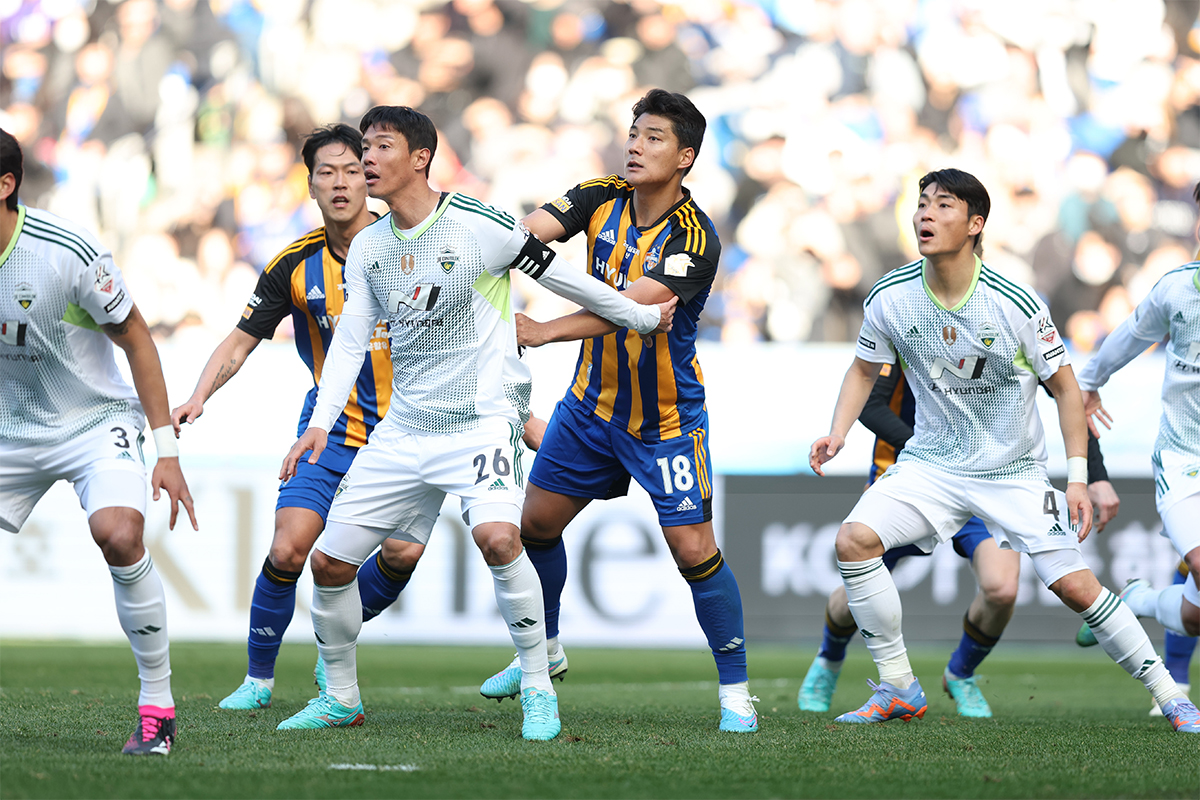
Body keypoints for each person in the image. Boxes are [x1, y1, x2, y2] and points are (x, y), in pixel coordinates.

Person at [274, 105, 674, 741]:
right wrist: (320, 423)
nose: (367, 159)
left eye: (381, 147)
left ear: (420, 159)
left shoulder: (478, 224)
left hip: (482, 419)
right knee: (328, 565)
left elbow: (565, 278)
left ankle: (538, 688)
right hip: (406, 427)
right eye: (365, 147)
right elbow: (350, 342)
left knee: (499, 539)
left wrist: (639, 316)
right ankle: (340, 697)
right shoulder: (371, 247)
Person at [809, 167, 1199, 732]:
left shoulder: (1014, 303)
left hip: (1013, 473)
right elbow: (863, 370)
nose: (925, 214)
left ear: (975, 224)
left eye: (943, 205)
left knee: (1075, 587)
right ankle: (898, 686)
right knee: (853, 541)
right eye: (922, 203)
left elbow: (1067, 389)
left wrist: (1077, 478)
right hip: (931, 465)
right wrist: (839, 431)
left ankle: (1170, 696)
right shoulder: (891, 296)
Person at [478, 89, 759, 733]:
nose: (635, 145)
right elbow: (524, 236)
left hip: (665, 422)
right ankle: (545, 650)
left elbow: (631, 309)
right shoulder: (598, 195)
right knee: (534, 526)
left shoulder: (696, 238)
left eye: (654, 137)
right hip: (588, 409)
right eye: (634, 133)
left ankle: (737, 694)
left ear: (685, 157)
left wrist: (543, 330)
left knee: (694, 551)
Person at [172, 124, 430, 711]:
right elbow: (241, 340)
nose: (340, 183)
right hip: (329, 429)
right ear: (309, 184)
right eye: (326, 173)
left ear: (369, 176)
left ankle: (331, 645)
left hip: (408, 430)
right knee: (290, 550)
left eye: (351, 170)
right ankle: (258, 679)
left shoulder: (411, 244)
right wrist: (198, 395)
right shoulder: (294, 263)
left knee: (402, 555)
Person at [0, 127, 198, 755]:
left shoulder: (65, 252)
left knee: (118, 532)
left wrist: (166, 451)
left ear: (5, 185)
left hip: (91, 422)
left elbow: (136, 337)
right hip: (8, 428)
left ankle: (158, 707)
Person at [798, 363, 1122, 717]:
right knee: (853, 588)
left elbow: (1066, 391)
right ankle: (829, 658)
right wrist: (940, 454)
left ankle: (960, 672)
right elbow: (871, 401)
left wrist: (1095, 475)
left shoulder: (1010, 330)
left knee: (1002, 590)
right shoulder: (912, 328)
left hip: (991, 480)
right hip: (915, 481)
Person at [1070, 183, 1200, 706]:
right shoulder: (1177, 289)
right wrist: (1089, 380)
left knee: (1193, 615)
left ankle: (1139, 599)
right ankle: (1175, 680)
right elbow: (1130, 335)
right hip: (1184, 460)